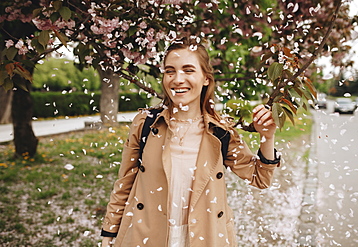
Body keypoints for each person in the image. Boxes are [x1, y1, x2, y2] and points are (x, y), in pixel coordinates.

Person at [101, 37, 280, 247]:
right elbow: (125, 182)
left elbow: (260, 178)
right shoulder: (146, 124)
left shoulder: (221, 131)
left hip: (204, 236)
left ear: (205, 78)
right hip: (147, 234)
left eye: (188, 70)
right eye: (170, 71)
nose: (177, 79)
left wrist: (267, 136)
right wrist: (109, 231)